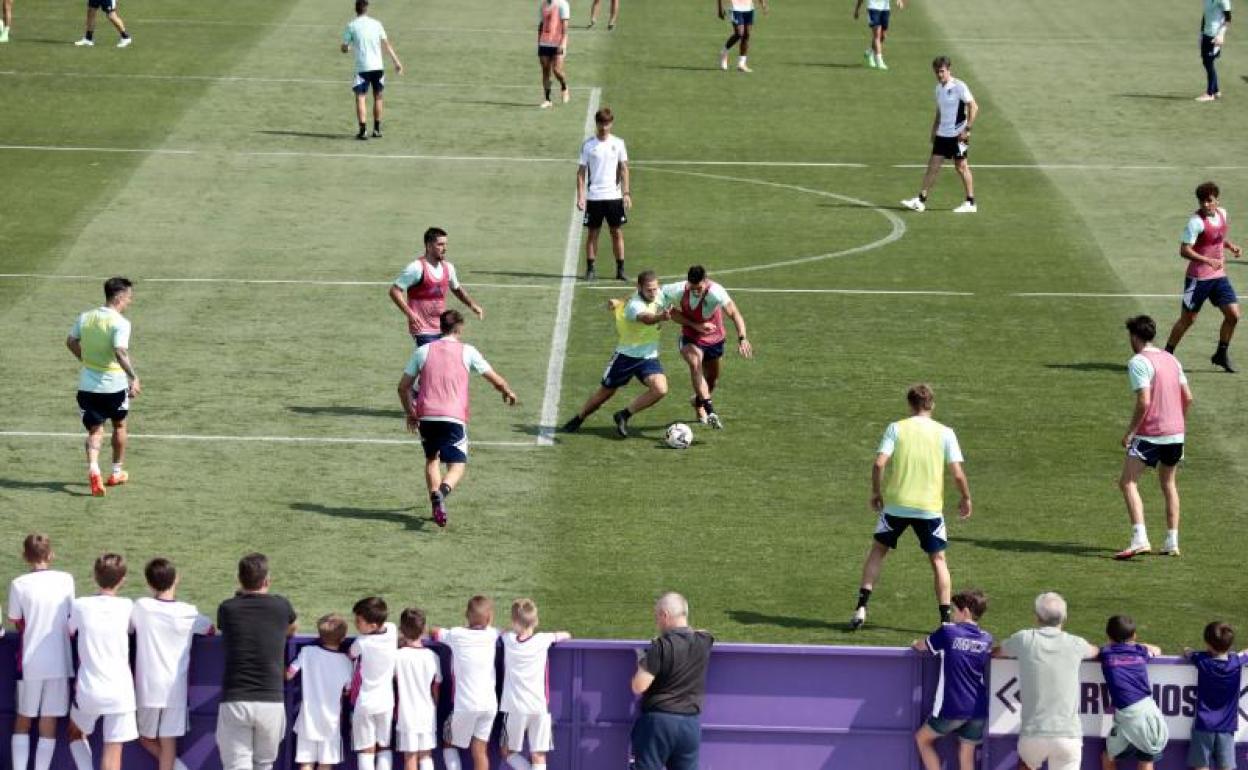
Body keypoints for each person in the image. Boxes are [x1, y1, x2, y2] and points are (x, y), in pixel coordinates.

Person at [850, 383, 972, 630]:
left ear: (910, 404)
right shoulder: (945, 432)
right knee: (938, 560)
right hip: (929, 508)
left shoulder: (896, 428)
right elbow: (958, 474)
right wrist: (965, 497)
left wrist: (876, 491)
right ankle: (945, 621)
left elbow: (878, 464)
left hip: (896, 506)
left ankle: (861, 607)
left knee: (878, 551)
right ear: (932, 404)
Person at [397, 309, 518, 527]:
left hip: (427, 416)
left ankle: (436, 503)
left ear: (440, 327)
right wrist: (507, 391)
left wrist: (410, 413)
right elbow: (495, 380)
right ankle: (441, 494)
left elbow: (403, 387)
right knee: (457, 465)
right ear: (459, 328)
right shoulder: (468, 351)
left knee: (432, 459)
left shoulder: (423, 351)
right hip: (453, 417)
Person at [992, 592, 1100, 770]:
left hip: (1033, 735)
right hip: (1068, 736)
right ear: (1064, 618)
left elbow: (998, 651)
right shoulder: (1076, 644)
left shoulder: (1024, 639)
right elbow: (1095, 651)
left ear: (1036, 617)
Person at [1116, 315, 1194, 560]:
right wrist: (1177, 422)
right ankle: (1172, 541)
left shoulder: (1138, 361)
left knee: (1127, 482)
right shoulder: (1172, 359)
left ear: (1134, 336)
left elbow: (1144, 401)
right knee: (1168, 484)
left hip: (1151, 435)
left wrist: (1130, 432)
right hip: (1176, 434)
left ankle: (1140, 539)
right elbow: (1188, 397)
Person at [562, 270, 670, 438]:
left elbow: (681, 288)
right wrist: (660, 317)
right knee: (605, 393)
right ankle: (579, 418)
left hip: (648, 357)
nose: (653, 293)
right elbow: (646, 318)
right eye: (649, 290)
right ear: (639, 287)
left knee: (660, 389)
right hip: (626, 357)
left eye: (655, 289)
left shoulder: (657, 294)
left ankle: (624, 415)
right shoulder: (635, 305)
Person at [216, 553, 298, 770]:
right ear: (267, 580)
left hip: (236, 699)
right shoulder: (281, 606)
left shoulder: (227, 608)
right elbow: (292, 627)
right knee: (264, 764)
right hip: (271, 700)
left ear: (239, 579)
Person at [132, 558, 216, 770]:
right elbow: (210, 629)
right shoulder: (188, 611)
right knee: (168, 744)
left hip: (148, 688)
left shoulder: (141, 607)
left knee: (146, 738)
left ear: (149, 583)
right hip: (174, 690)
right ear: (176, 579)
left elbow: (128, 628)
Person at [66, 276, 140, 497]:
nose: (130, 302)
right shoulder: (120, 323)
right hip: (114, 386)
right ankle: (116, 471)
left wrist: (86, 360)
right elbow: (119, 351)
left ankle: (94, 468)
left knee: (95, 430)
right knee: (119, 425)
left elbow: (70, 341)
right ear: (119, 297)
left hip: (88, 386)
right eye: (129, 297)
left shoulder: (86, 317)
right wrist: (133, 377)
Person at [8, 534, 76, 770]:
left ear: (25, 556)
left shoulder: (19, 584)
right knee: (48, 721)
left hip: (30, 663)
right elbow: (71, 616)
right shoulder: (66, 580)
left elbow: (15, 620)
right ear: (51, 554)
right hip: (59, 660)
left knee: (23, 719)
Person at [67, 554, 137, 770]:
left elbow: (70, 630)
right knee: (113, 751)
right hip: (120, 692)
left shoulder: (80, 606)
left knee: (75, 732)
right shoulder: (127, 606)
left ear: (95, 576)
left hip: (89, 690)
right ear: (122, 579)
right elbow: (132, 630)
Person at [660, 265, 753, 428]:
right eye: (692, 287)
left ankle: (698, 402)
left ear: (706, 281)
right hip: (691, 337)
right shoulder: (679, 289)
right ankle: (710, 411)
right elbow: (662, 301)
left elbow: (734, 313)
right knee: (696, 364)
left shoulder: (716, 291)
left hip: (715, 339)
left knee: (712, 380)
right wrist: (694, 325)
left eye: (699, 288)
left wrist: (742, 338)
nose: (696, 291)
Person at [1164, 182, 1243, 371]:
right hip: (1198, 279)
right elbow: (1184, 250)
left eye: (1209, 201)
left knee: (1233, 315)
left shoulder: (1222, 213)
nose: (1205, 205)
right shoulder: (1195, 222)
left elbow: (1216, 237)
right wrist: (1207, 260)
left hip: (1218, 277)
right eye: (1202, 201)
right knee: (1188, 320)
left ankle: (1221, 354)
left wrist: (1230, 246)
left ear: (1217, 200)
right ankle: (1166, 357)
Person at [629, 593, 714, 770]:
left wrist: (641, 661)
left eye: (657, 617)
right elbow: (704, 632)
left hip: (659, 723)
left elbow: (639, 686)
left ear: (665, 615)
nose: (657, 622)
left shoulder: (661, 646)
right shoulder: (704, 641)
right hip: (690, 724)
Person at [911, 589, 992, 770]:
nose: (953, 615)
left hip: (952, 707)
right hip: (978, 709)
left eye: (955, 610)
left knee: (922, 739)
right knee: (966, 753)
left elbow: (922, 646)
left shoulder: (948, 632)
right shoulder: (987, 639)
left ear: (966, 612)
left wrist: (914, 644)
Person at [500, 599, 571, 770]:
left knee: (507, 752)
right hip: (539, 707)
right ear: (536, 621)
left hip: (514, 707)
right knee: (539, 754)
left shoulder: (508, 639)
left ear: (513, 622)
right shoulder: (543, 639)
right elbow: (566, 634)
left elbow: (501, 633)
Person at [901, 56, 978, 214]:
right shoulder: (938, 89)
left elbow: (974, 106)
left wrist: (967, 129)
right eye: (936, 72)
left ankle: (970, 202)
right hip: (942, 134)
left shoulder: (959, 86)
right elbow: (940, 111)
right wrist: (934, 129)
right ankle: (921, 200)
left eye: (942, 71)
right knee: (933, 166)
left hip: (958, 135)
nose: (939, 74)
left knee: (961, 167)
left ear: (949, 70)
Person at [431, 596, 501, 770]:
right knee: (480, 750)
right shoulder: (492, 634)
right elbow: (501, 631)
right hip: (489, 705)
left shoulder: (456, 634)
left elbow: (434, 632)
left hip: (465, 705)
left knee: (448, 743)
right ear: (490, 618)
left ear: (466, 615)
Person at [389, 227, 486, 349]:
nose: (445, 248)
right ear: (429, 246)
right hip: (423, 329)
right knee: (431, 362)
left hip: (443, 327)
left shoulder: (448, 268)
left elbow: (456, 288)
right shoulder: (416, 268)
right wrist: (410, 314)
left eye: (445, 244)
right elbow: (394, 291)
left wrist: (472, 305)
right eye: (440, 244)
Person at [1098, 615, 1168, 770]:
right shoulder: (1140, 651)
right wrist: (1136, 644)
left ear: (1108, 636)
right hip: (1150, 713)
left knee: (1107, 756)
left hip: (1127, 716)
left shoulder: (1106, 653)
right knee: (1147, 758)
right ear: (1134, 636)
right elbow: (1157, 649)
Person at [287, 615, 354, 770]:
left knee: (306, 762)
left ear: (319, 635)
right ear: (343, 638)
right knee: (325, 764)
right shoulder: (346, 663)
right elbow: (348, 691)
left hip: (307, 720)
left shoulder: (307, 652)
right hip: (331, 723)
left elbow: (290, 673)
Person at [1183, 621, 1247, 770]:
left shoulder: (1202, 660)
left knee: (1201, 765)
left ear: (1207, 643)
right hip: (1227, 726)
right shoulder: (1236, 662)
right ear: (1230, 645)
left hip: (1203, 724)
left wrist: (1190, 650)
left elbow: (1187, 651)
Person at [576, 107, 631, 281]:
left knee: (617, 233)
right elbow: (581, 172)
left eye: (607, 123)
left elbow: (624, 169)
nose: (604, 127)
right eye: (601, 123)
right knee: (593, 233)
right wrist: (581, 196)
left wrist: (626, 193)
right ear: (597, 123)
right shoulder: (588, 145)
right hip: (594, 197)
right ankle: (590, 269)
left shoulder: (619, 143)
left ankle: (620, 270)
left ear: (611, 123)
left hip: (614, 197)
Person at [342, 0, 403, 140]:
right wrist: (397, 62)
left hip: (362, 68)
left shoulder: (351, 26)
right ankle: (376, 129)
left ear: (355, 9)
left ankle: (363, 131)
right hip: (377, 67)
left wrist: (347, 48)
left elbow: (344, 47)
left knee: (360, 98)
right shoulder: (377, 24)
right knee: (378, 97)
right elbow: (387, 45)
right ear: (366, 9)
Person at [349, 597, 398, 770]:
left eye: (359, 621)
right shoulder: (392, 629)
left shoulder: (362, 642)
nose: (356, 624)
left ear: (373, 626)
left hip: (365, 702)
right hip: (386, 702)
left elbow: (351, 654)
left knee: (366, 749)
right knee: (384, 745)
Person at [394, 608, 441, 770]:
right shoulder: (432, 657)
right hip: (427, 713)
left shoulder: (397, 656)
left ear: (401, 630)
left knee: (410, 756)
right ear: (424, 629)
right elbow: (436, 688)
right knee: (426, 755)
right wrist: (435, 704)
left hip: (406, 715)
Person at [717, 0, 768, 72]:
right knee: (739, 33)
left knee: (747, 34)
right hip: (734, 8)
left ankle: (741, 64)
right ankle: (724, 53)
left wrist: (763, 4)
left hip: (749, 8)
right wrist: (720, 8)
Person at [537, 0, 570, 109]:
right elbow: (541, 24)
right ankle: (547, 99)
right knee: (545, 70)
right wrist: (539, 42)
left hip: (558, 43)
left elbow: (565, 27)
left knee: (557, 70)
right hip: (544, 42)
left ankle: (564, 87)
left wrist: (562, 43)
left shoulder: (562, 4)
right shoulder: (543, 5)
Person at [853, 0, 904, 69]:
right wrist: (857, 10)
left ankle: (870, 52)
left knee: (883, 36)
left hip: (885, 9)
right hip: (872, 8)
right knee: (877, 34)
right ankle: (879, 61)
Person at [1197, 0, 1232, 101]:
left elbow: (1228, 19)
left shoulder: (1224, 1)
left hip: (1215, 37)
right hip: (1206, 35)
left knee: (1209, 62)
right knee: (1206, 62)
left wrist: (1221, 34)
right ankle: (1216, 91)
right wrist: (1201, 33)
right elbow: (1205, 16)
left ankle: (1210, 93)